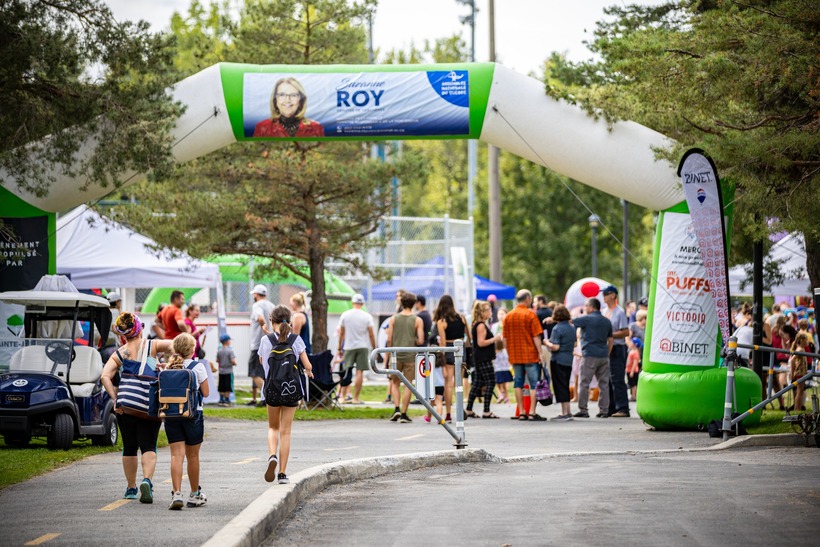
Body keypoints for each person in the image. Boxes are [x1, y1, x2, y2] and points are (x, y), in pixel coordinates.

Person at [101, 312, 173, 504]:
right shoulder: (152, 345)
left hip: (126, 405)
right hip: (149, 405)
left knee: (130, 447)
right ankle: (147, 481)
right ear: (139, 328)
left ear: (123, 333)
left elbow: (105, 376)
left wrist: (115, 398)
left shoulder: (120, 352)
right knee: (149, 446)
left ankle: (131, 488)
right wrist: (168, 365)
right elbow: (178, 345)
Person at [258, 305, 314, 485]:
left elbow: (262, 362)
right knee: (286, 432)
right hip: (291, 390)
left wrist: (267, 334)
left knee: (273, 427)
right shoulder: (296, 340)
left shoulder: (266, 341)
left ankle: (272, 455)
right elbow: (307, 365)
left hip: (272, 390)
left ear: (271, 320)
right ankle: (282, 473)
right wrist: (309, 371)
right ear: (289, 321)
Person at [164, 333, 210, 510]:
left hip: (171, 415)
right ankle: (194, 494)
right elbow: (205, 393)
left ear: (174, 349)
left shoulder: (168, 367)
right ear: (192, 350)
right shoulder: (198, 367)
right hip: (193, 415)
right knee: (193, 456)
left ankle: (176, 493)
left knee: (176, 455)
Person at [504, 289, 547, 421]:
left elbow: (504, 338)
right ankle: (532, 412)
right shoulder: (530, 315)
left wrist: (509, 352)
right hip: (530, 355)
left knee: (518, 383)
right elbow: (536, 336)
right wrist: (540, 353)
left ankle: (522, 411)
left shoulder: (508, 316)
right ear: (527, 299)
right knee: (534, 383)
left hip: (515, 356)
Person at [386, 291, 425, 423]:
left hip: (396, 355)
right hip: (410, 355)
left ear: (401, 303)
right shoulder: (417, 320)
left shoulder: (393, 319)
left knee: (395, 383)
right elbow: (421, 340)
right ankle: (404, 413)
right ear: (414, 304)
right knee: (408, 385)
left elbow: (389, 338)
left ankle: (396, 408)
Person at [572, 297, 613, 419]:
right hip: (603, 356)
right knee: (604, 384)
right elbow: (610, 340)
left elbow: (571, 321)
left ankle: (583, 410)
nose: (585, 308)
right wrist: (607, 353)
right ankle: (604, 410)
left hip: (589, 355)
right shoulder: (607, 321)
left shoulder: (586, 319)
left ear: (591, 307)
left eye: (586, 306)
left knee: (584, 383)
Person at [434, 294, 472, 422]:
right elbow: (469, 337)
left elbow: (443, 343)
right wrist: (465, 347)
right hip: (461, 349)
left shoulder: (441, 322)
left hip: (449, 350)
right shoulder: (462, 318)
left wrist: (442, 361)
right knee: (459, 383)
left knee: (448, 384)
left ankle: (449, 413)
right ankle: (460, 408)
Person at [253, 77, 324, 138]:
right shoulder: (262, 128)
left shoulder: (316, 128)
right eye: (282, 95)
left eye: (293, 95)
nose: (287, 100)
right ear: (275, 99)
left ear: (301, 100)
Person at [337, 294, 376, 405]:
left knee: (346, 371)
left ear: (352, 303)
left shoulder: (345, 315)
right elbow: (371, 334)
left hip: (349, 346)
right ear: (362, 304)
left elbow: (342, 333)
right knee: (360, 372)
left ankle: (343, 397)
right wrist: (374, 347)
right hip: (362, 346)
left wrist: (339, 347)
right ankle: (355, 398)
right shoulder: (367, 316)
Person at [466, 300, 501, 419]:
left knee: (478, 383)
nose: (490, 312)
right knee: (490, 382)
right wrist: (495, 339)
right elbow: (481, 343)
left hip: (480, 357)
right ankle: (486, 410)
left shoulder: (479, 324)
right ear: (482, 312)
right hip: (483, 358)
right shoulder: (480, 325)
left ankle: (469, 409)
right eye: (488, 310)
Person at [601, 285, 630, 418]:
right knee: (607, 379)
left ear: (613, 295)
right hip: (607, 347)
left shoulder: (619, 312)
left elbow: (625, 331)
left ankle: (623, 408)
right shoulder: (604, 311)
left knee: (617, 378)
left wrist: (610, 334)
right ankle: (611, 407)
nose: (604, 296)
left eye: (606, 294)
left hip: (618, 348)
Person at [544, 304, 576, 421]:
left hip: (558, 360)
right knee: (566, 384)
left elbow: (555, 347)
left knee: (560, 385)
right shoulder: (572, 327)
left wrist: (546, 342)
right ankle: (568, 411)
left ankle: (564, 412)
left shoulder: (557, 329)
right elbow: (575, 344)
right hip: (568, 359)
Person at [248, 284, 274, 406]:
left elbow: (260, 318)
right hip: (271, 344)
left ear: (256, 295)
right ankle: (266, 397)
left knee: (253, 372)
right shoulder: (272, 305)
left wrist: (265, 331)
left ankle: (267, 397)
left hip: (258, 344)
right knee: (265, 372)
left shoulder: (257, 305)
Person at [491, 308, 512, 404]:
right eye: (499, 314)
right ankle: (501, 394)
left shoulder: (508, 325)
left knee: (505, 374)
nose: (501, 316)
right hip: (496, 352)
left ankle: (505, 395)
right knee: (498, 374)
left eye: (503, 314)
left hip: (505, 352)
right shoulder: (494, 326)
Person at [789, 332, 811, 411]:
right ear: (801, 340)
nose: (807, 341)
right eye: (806, 340)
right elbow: (792, 360)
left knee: (800, 391)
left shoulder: (800, 348)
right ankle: (797, 408)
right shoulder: (800, 349)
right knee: (799, 391)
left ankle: (797, 407)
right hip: (799, 373)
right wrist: (792, 372)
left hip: (801, 372)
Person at [101, 291, 123, 362]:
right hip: (111, 346)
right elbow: (114, 328)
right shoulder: (115, 311)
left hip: (101, 347)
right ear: (117, 302)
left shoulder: (104, 312)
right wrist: (126, 334)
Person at [216, 333, 237, 406]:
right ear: (227, 341)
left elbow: (217, 360)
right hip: (228, 371)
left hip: (221, 371)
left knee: (221, 385)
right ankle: (227, 400)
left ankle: (221, 399)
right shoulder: (230, 351)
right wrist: (235, 363)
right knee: (228, 386)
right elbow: (232, 361)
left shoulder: (219, 351)